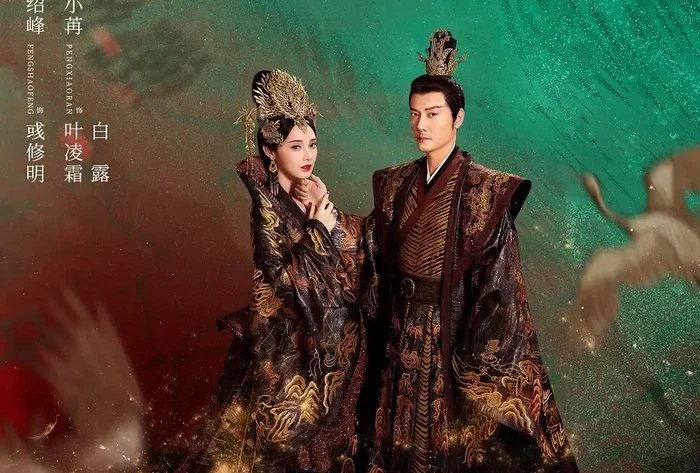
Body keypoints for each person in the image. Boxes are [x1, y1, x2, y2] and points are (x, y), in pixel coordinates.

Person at [297, 29, 578, 473]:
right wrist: (328, 217)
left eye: (432, 114)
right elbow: (371, 246)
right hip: (398, 331)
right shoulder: (396, 184)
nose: (421, 126)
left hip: (449, 339)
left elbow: (501, 288)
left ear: (458, 118)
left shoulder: (485, 190)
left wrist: (472, 361)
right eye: (414, 114)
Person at [177, 69, 379, 473]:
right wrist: (319, 227)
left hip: (323, 342)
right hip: (285, 347)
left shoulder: (311, 193)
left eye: (312, 145)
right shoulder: (266, 206)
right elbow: (280, 279)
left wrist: (326, 209)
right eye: (295, 146)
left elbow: (350, 254)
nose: (308, 156)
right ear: (271, 151)